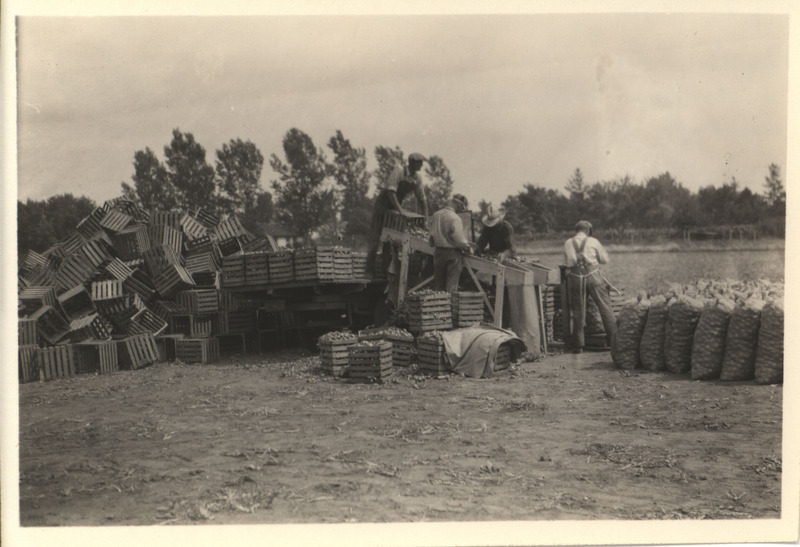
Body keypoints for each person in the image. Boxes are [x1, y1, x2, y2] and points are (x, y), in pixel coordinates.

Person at [366, 152, 429, 274]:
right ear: (411, 162)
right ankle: (369, 270)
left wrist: (425, 218)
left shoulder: (417, 178)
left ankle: (385, 272)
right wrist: (400, 210)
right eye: (419, 162)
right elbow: (391, 193)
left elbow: (422, 200)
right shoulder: (399, 171)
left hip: (396, 204)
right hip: (384, 204)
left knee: (390, 237)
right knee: (377, 235)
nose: (421, 165)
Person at [563, 220, 617, 353]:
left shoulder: (568, 242)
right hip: (593, 276)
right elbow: (604, 260)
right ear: (588, 230)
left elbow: (568, 263)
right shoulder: (593, 241)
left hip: (576, 278)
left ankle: (578, 346)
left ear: (577, 230)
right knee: (605, 307)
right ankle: (615, 340)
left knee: (578, 311)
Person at [429, 194, 473, 293]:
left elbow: (431, 238)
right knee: (451, 287)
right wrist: (468, 248)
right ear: (460, 205)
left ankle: (438, 306)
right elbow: (459, 239)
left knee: (438, 285)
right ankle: (449, 307)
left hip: (438, 252)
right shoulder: (455, 218)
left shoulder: (436, 215)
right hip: (452, 254)